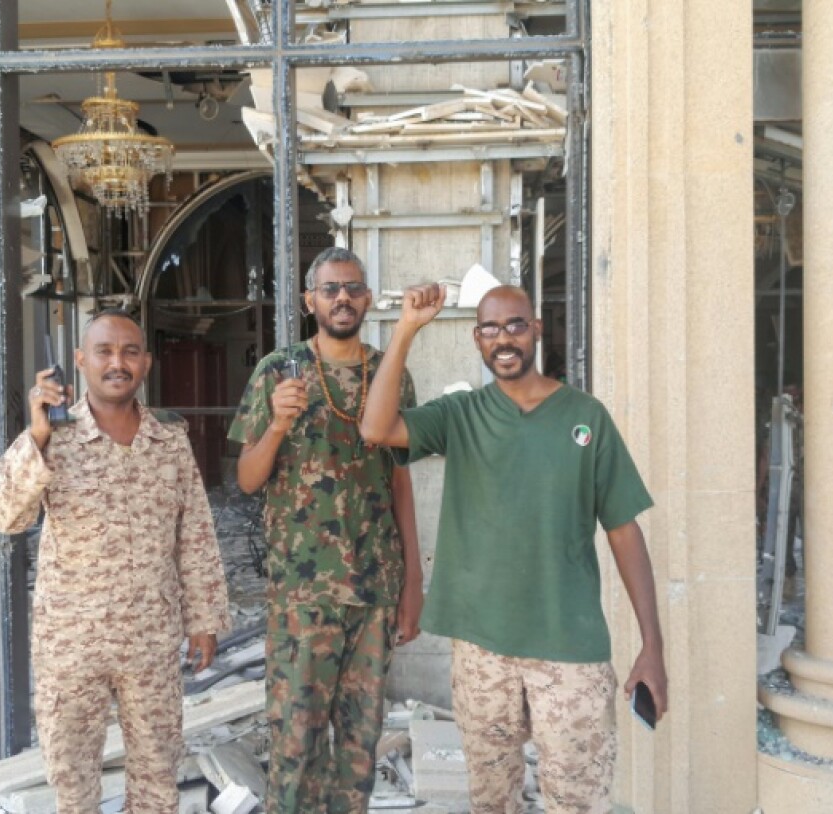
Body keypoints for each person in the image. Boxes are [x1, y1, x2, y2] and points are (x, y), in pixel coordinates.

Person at [360, 283, 668, 814]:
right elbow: (375, 426)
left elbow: (624, 530)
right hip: (484, 652)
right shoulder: (461, 415)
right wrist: (407, 328)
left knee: (578, 800)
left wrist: (652, 646)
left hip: (569, 650)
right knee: (491, 800)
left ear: (536, 330)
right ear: (478, 339)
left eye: (515, 325)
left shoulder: (585, 417)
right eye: (490, 328)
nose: (503, 339)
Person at [0, 310, 229, 814]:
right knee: (73, 785)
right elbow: (4, 515)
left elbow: (196, 534)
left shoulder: (169, 439)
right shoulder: (55, 436)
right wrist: (37, 436)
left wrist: (204, 621)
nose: (118, 363)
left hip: (151, 641)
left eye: (130, 352)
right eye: (104, 351)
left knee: (158, 778)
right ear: (80, 361)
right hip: (73, 645)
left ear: (147, 363)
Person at [229, 246, 422, 813]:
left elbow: (402, 486)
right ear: (310, 299)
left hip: (373, 591)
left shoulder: (391, 375)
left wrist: (413, 584)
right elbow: (246, 479)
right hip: (302, 597)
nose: (343, 297)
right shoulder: (278, 370)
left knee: (358, 748)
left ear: (366, 299)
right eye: (331, 288)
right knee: (296, 743)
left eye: (353, 288)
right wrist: (279, 424)